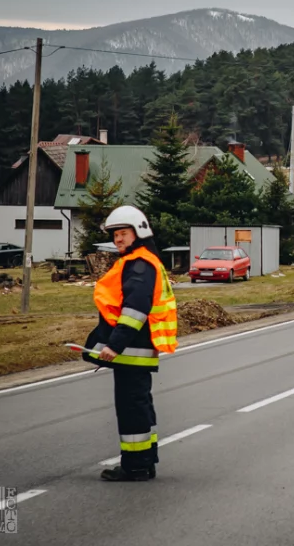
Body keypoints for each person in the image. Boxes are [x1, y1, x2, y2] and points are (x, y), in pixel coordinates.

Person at [82, 205, 178, 482]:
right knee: (139, 405)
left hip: (130, 351)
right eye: (115, 236)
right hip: (138, 352)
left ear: (139, 232)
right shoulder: (142, 261)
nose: (118, 240)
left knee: (131, 409)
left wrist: (114, 345)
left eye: (123, 233)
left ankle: (135, 466)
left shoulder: (139, 264)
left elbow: (135, 309)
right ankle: (145, 462)